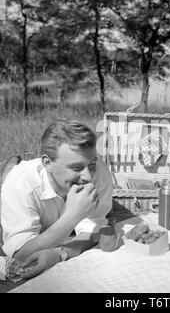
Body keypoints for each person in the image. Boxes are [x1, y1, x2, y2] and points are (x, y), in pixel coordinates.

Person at [0, 119, 113, 278]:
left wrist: (61, 253)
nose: (88, 176)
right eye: (76, 167)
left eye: (91, 164)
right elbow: (20, 256)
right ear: (47, 163)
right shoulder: (19, 184)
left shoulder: (99, 172)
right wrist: (72, 216)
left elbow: (96, 228)